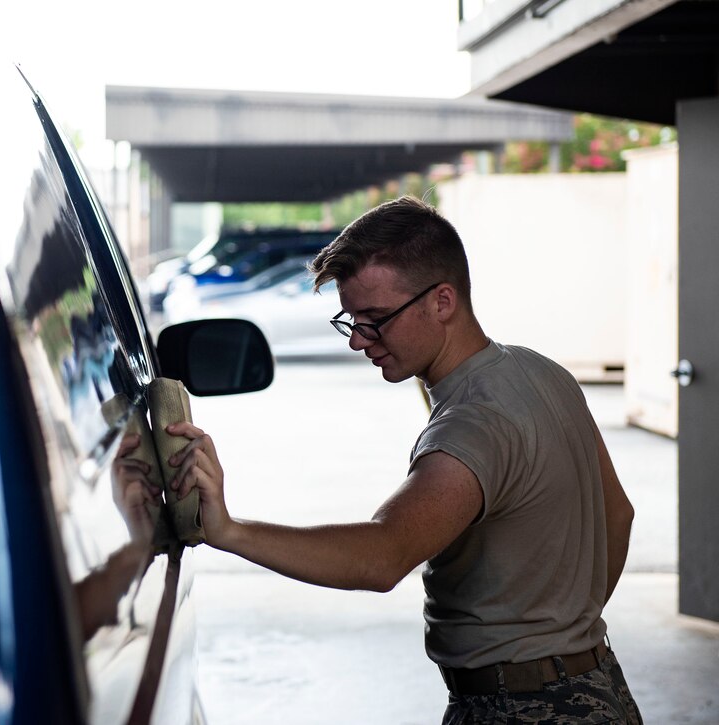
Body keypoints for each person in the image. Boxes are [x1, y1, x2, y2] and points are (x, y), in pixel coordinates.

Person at [159, 196, 642, 723]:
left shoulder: (473, 426)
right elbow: (618, 514)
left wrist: (228, 530)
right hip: (598, 686)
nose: (359, 341)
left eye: (376, 319)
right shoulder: (543, 373)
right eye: (351, 320)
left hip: (523, 707)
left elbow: (382, 555)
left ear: (442, 302)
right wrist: (565, 632)